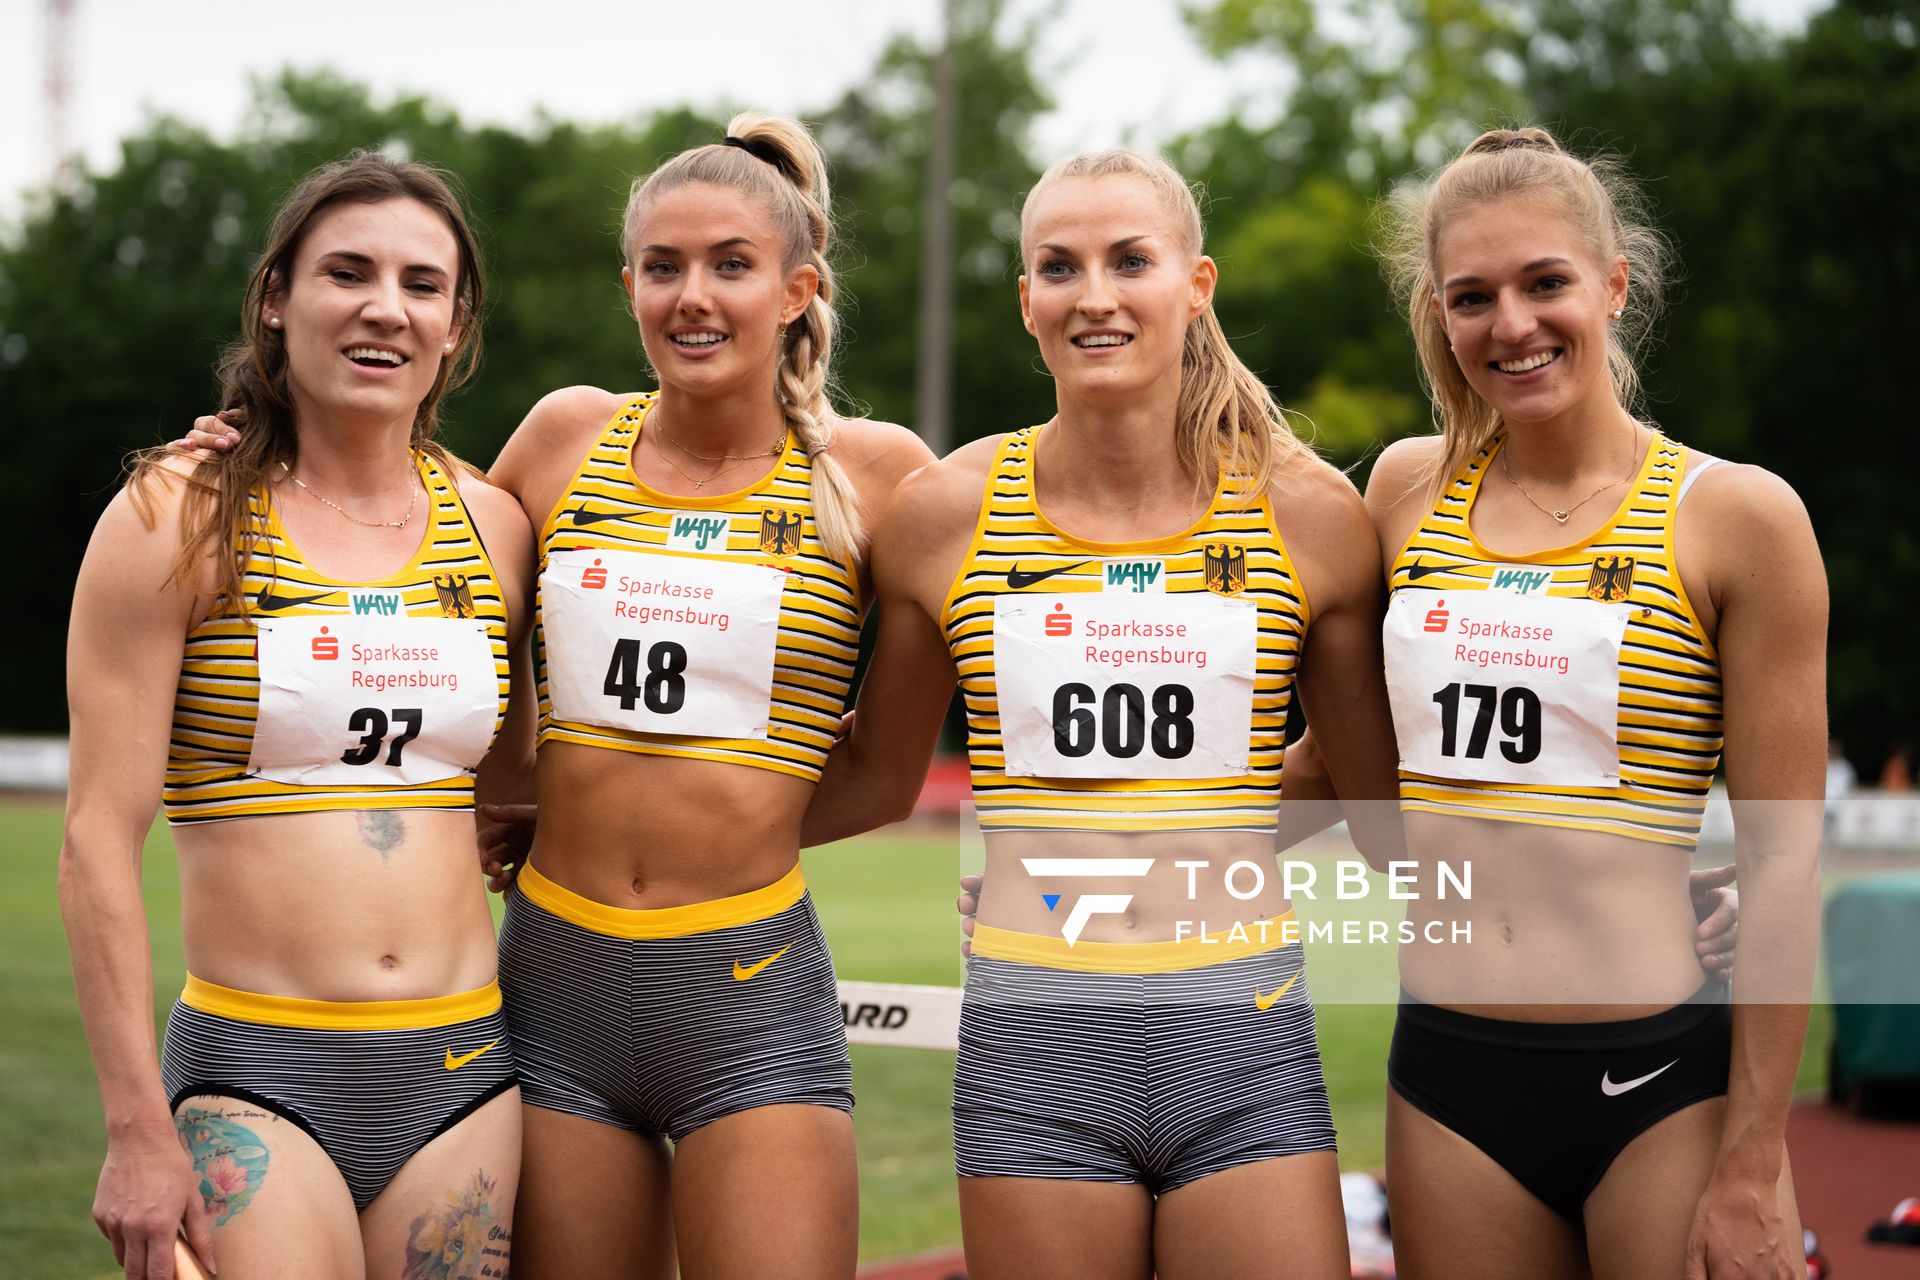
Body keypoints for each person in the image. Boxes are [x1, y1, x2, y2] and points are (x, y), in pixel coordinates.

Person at [184, 115, 930, 1280]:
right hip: (553, 982)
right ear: (627, 281)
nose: (695, 296)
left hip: (747, 985)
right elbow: (401, 551)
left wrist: (709, 818)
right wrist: (246, 449)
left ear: (797, 290)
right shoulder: (563, 439)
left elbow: (886, 773)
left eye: (732, 265)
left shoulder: (878, 475)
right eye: (665, 266)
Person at [801, 147, 1408, 1280]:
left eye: (1130, 260)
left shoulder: (1312, 514)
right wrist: (598, 821)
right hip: (1036, 1044)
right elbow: (876, 777)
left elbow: (1378, 805)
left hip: (1243, 1036)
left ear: (1196, 284)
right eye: (1058, 265)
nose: (1095, 294)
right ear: (1025, 299)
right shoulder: (945, 516)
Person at [62, 153, 534, 1280]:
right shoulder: (174, 515)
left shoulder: (499, 525)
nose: (386, 306)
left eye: (424, 283)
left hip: (464, 1073)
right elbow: (93, 842)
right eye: (348, 272)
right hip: (254, 1073)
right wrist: (134, 1126)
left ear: (456, 322)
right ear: (277, 296)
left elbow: (540, 765)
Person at [1363, 127, 1823, 1278]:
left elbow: (1783, 862)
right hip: (1448, 1077)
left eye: (1545, 282)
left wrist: (1753, 1159)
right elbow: (1346, 773)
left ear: (1614, 283)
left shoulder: (1738, 517)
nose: (1510, 323)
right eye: (1473, 296)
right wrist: (1068, 859)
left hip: (1661, 1079)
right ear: (1439, 311)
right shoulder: (1402, 492)